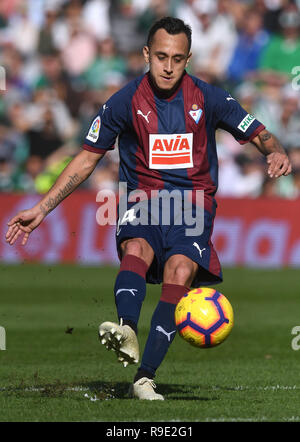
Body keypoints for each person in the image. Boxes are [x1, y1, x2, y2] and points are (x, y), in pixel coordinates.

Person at [5, 17, 292, 401]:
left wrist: (275, 151)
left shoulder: (210, 98)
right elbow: (86, 159)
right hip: (143, 199)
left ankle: (144, 378)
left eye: (177, 58)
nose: (168, 67)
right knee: (136, 247)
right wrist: (41, 209)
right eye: (160, 57)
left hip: (193, 204)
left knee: (180, 270)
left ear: (188, 58)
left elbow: (259, 132)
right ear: (146, 54)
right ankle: (126, 329)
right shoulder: (124, 101)